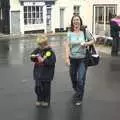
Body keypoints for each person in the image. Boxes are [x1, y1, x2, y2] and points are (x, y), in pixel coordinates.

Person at [64, 15, 95, 106]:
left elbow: (93, 40)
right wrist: (67, 58)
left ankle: (79, 98)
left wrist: (86, 43)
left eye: (77, 20)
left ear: (80, 21)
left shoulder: (85, 31)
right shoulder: (69, 32)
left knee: (81, 79)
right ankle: (77, 90)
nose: (76, 21)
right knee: (73, 77)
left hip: (83, 59)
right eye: (74, 20)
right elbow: (67, 46)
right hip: (72, 59)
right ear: (72, 22)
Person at [30, 35, 56, 107]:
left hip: (47, 74)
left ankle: (46, 100)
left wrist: (44, 60)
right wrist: (34, 57)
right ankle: (39, 98)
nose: (40, 46)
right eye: (39, 45)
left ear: (45, 44)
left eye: (42, 45)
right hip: (38, 73)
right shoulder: (37, 50)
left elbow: (52, 62)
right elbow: (32, 56)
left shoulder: (50, 52)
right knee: (37, 87)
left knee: (46, 88)